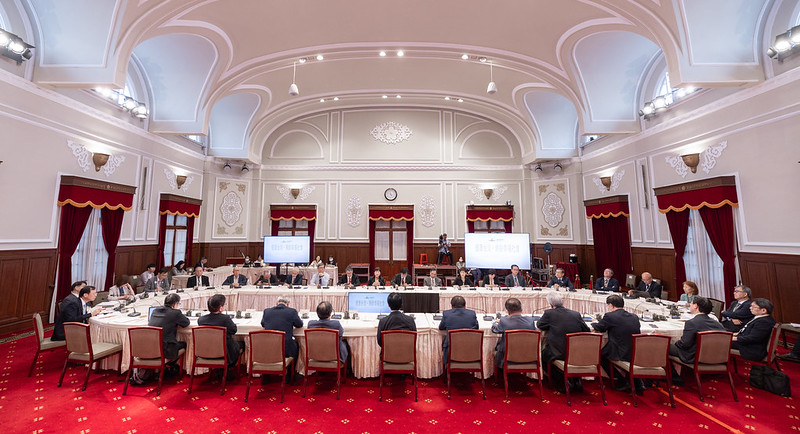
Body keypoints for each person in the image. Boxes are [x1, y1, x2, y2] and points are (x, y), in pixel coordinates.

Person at [537, 292, 590, 392]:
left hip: (558, 352)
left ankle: (562, 381)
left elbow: (540, 325)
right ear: (562, 302)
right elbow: (586, 330)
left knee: (542, 357)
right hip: (576, 352)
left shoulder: (549, 313)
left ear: (551, 305)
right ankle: (577, 380)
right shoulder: (576, 314)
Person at [591, 294, 642, 392]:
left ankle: (621, 380)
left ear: (611, 305)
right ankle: (637, 382)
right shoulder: (634, 317)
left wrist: (594, 322)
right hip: (635, 352)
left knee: (600, 356)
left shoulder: (610, 316)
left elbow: (600, 327)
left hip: (620, 351)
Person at [198, 294, 244, 380]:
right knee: (241, 345)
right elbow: (233, 330)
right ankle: (228, 367)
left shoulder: (201, 320)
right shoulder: (225, 319)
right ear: (220, 308)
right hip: (224, 352)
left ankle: (221, 369)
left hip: (206, 351)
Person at [669, 296, 725, 364]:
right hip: (716, 358)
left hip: (694, 357)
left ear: (695, 306)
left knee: (665, 345)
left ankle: (670, 370)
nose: (690, 305)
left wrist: (676, 342)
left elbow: (684, 344)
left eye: (691, 303)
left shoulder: (691, 323)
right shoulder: (718, 324)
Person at [491, 298, 536, 378]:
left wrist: (495, 322)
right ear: (521, 309)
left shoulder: (504, 321)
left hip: (508, 355)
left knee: (497, 346)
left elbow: (495, 330)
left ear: (507, 311)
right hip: (527, 354)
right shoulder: (530, 321)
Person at [148, 293, 190, 362]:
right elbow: (186, 323)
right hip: (166, 350)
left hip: (151, 347)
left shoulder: (155, 311)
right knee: (185, 344)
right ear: (175, 304)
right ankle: (174, 365)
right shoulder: (175, 313)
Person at [439, 295, 478, 362]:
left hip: (451, 352)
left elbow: (441, 327)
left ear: (452, 306)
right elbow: (476, 327)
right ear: (465, 306)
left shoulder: (446, 314)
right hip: (470, 350)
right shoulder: (472, 314)